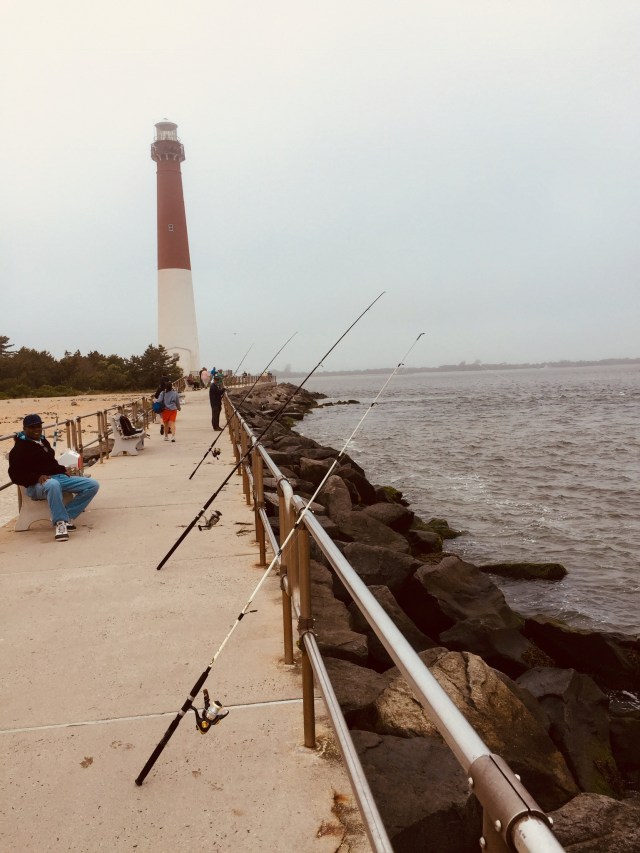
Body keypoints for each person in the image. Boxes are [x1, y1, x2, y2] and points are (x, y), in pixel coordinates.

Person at [8, 414, 100, 542]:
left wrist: (62, 470)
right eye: (32, 427)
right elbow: (15, 475)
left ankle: (67, 516)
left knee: (92, 485)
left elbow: (50, 463)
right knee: (53, 484)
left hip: (58, 477)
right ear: (24, 429)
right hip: (36, 485)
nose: (36, 430)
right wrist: (36, 477)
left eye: (39, 426)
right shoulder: (19, 449)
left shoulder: (43, 441)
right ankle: (60, 523)